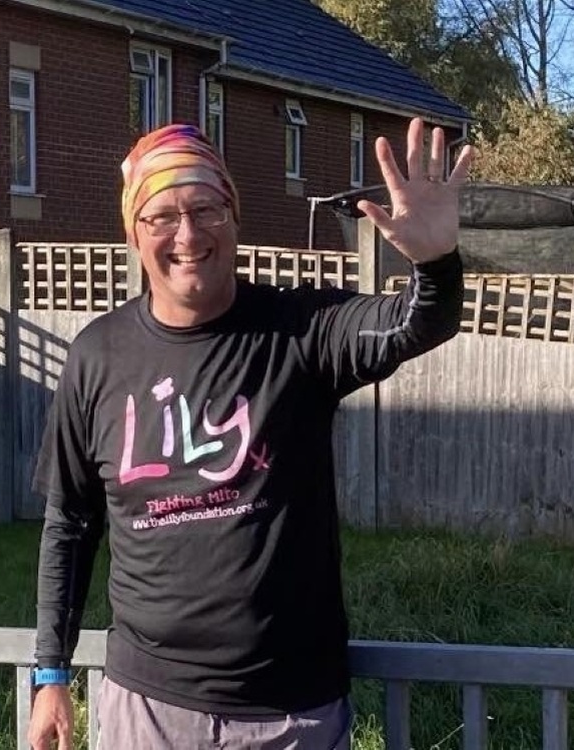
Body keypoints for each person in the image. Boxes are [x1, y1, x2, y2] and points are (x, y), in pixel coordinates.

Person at [27, 116, 473, 749]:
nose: (187, 234)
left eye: (206, 208)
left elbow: (414, 324)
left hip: (290, 712)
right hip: (147, 708)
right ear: (134, 233)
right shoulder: (96, 357)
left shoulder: (301, 332)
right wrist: (50, 672)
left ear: (234, 217)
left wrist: (436, 263)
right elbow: (69, 521)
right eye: (162, 216)